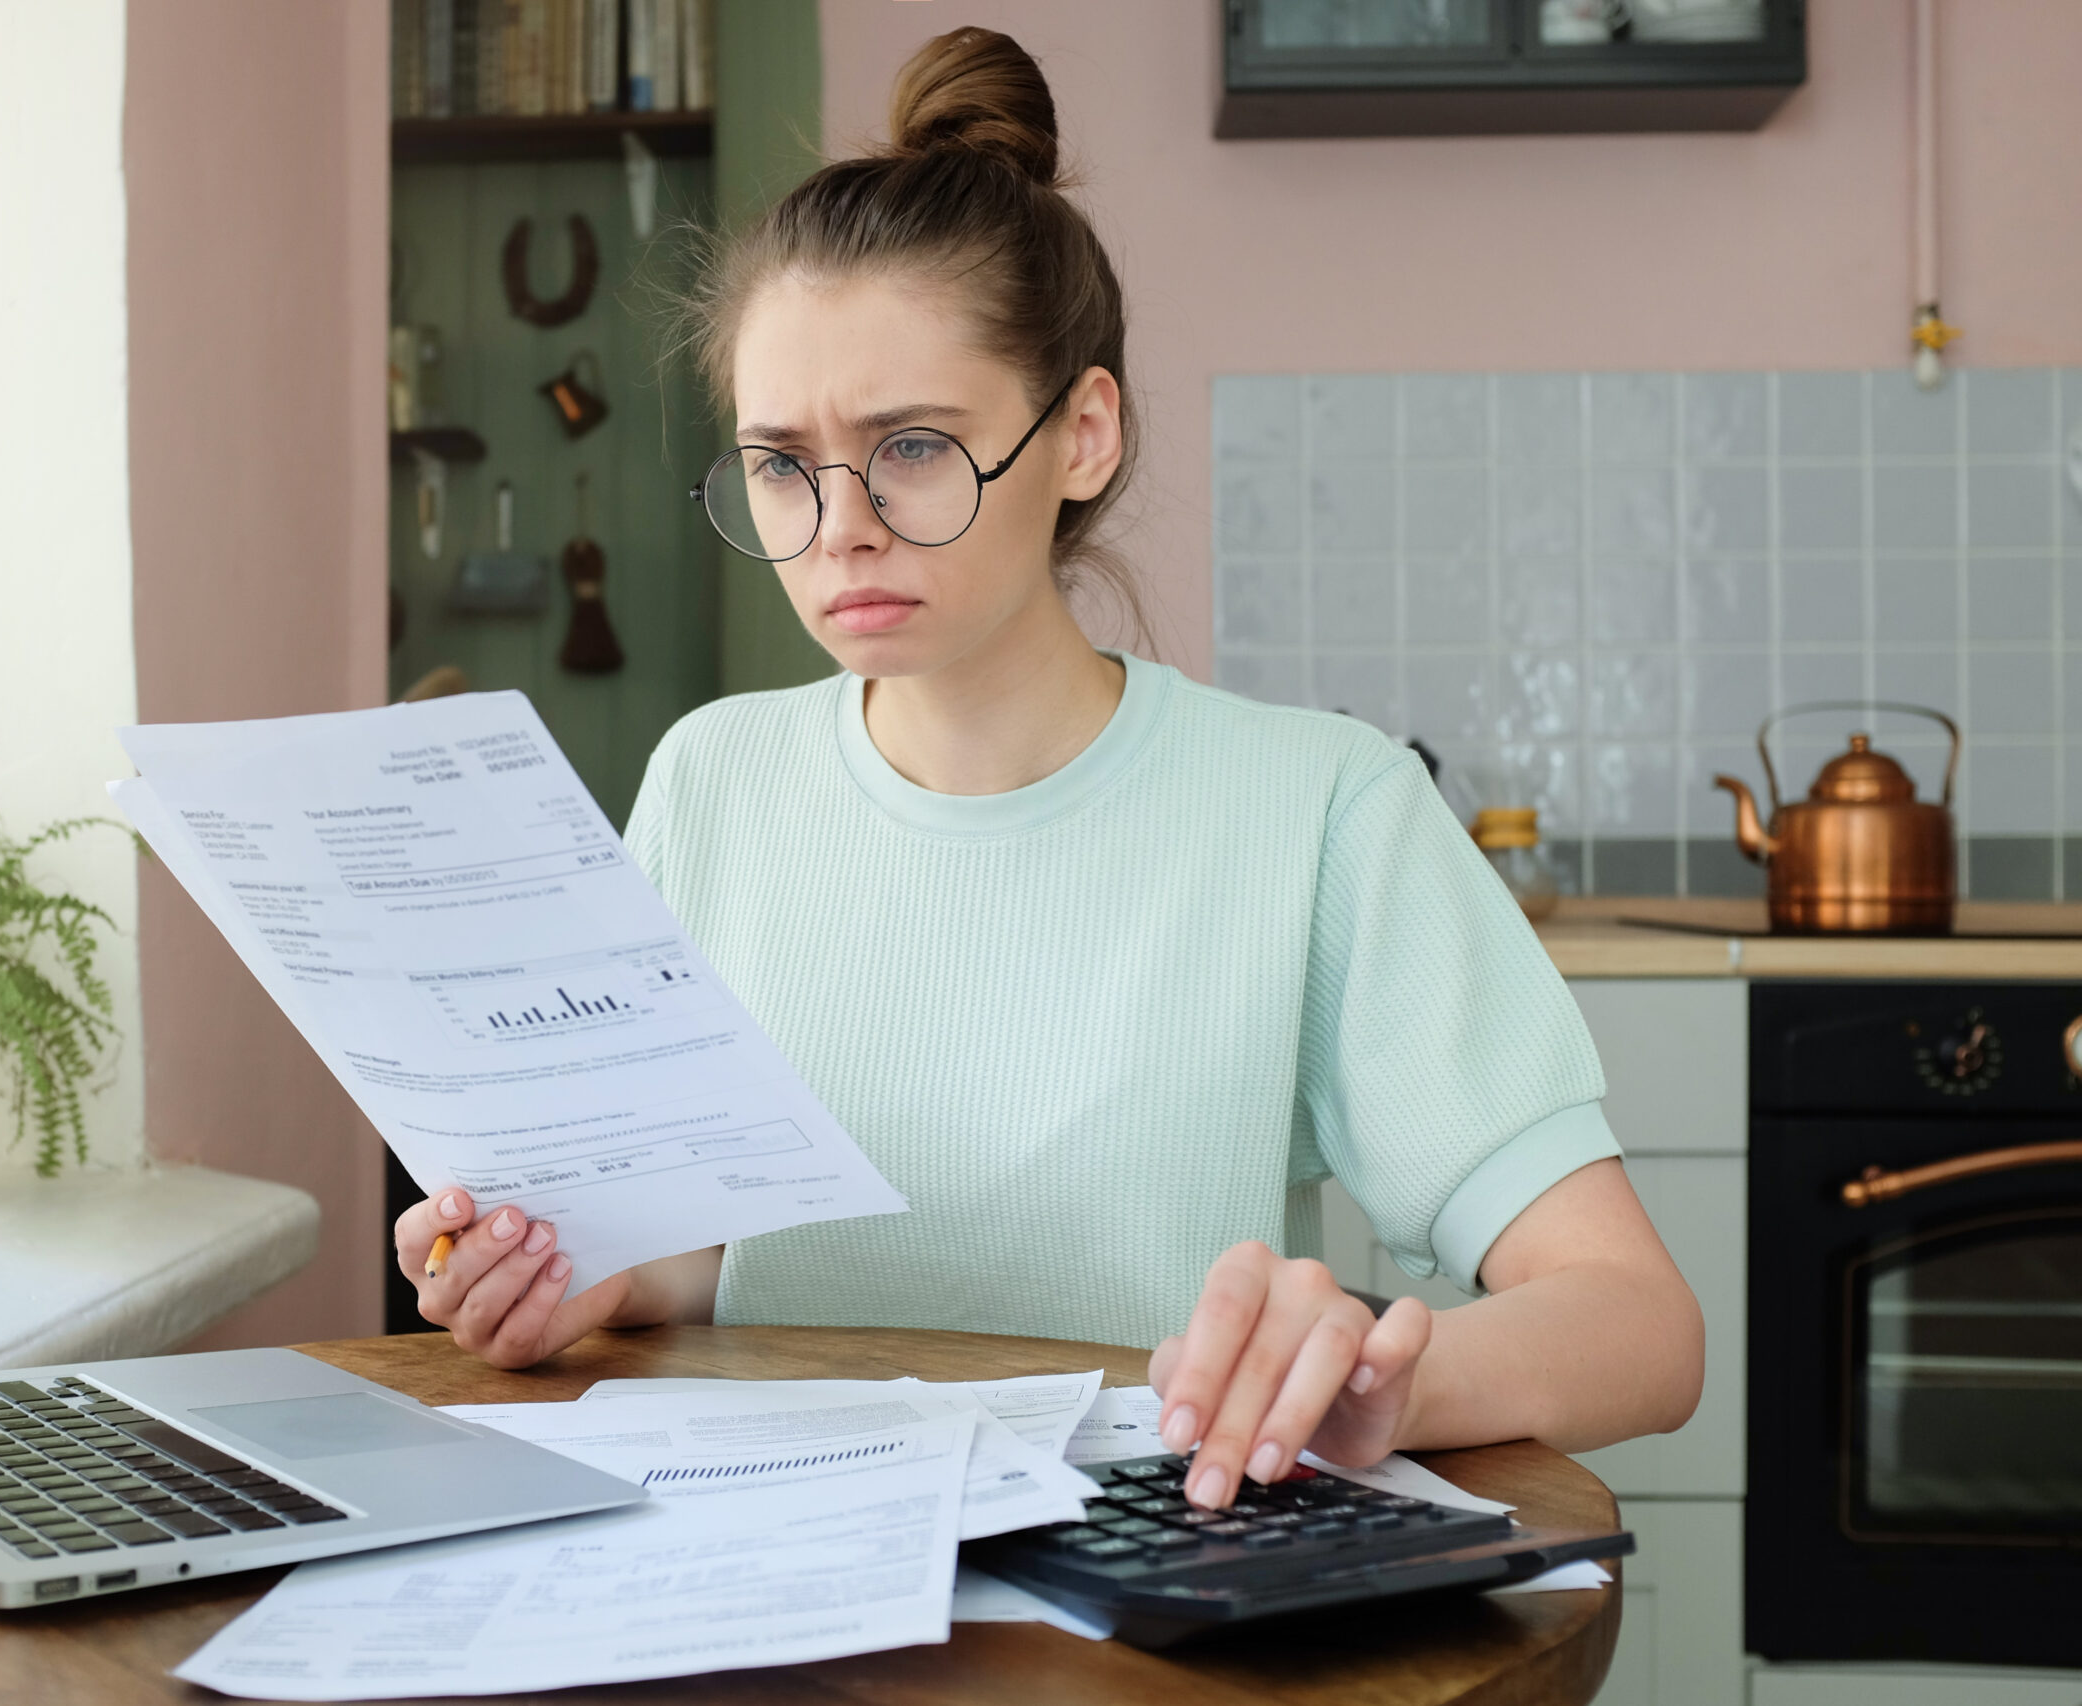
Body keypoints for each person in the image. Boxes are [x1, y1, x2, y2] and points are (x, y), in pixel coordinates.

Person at [395, 26, 1702, 1514]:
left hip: (1155, 1586)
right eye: (779, 461)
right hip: (769, 1568)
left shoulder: (1320, 810)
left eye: (911, 447)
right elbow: (726, 1261)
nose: (839, 524)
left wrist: (1387, 1381)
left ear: (1082, 433)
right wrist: (593, 1280)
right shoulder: (712, 782)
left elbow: (1642, 1327)